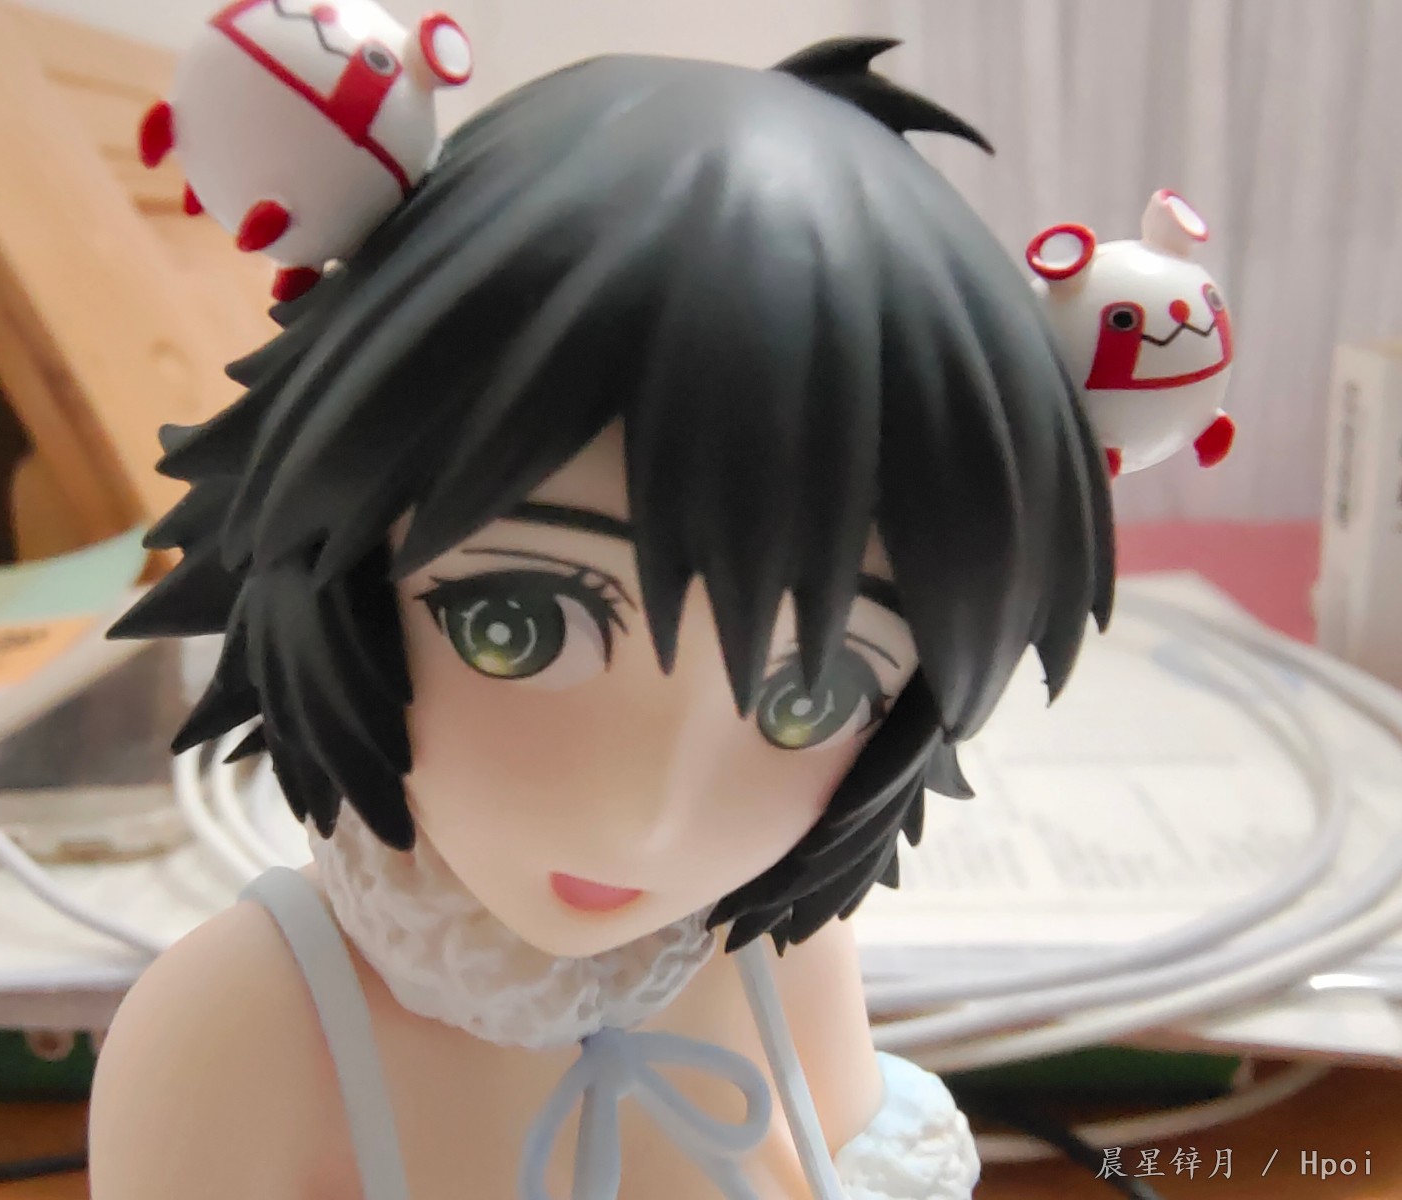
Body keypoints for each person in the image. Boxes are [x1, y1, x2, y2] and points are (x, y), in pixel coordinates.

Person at [89, 36, 1114, 1200]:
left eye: (810, 696)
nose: (647, 822)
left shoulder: (777, 958)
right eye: (516, 626)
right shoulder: (244, 1031)